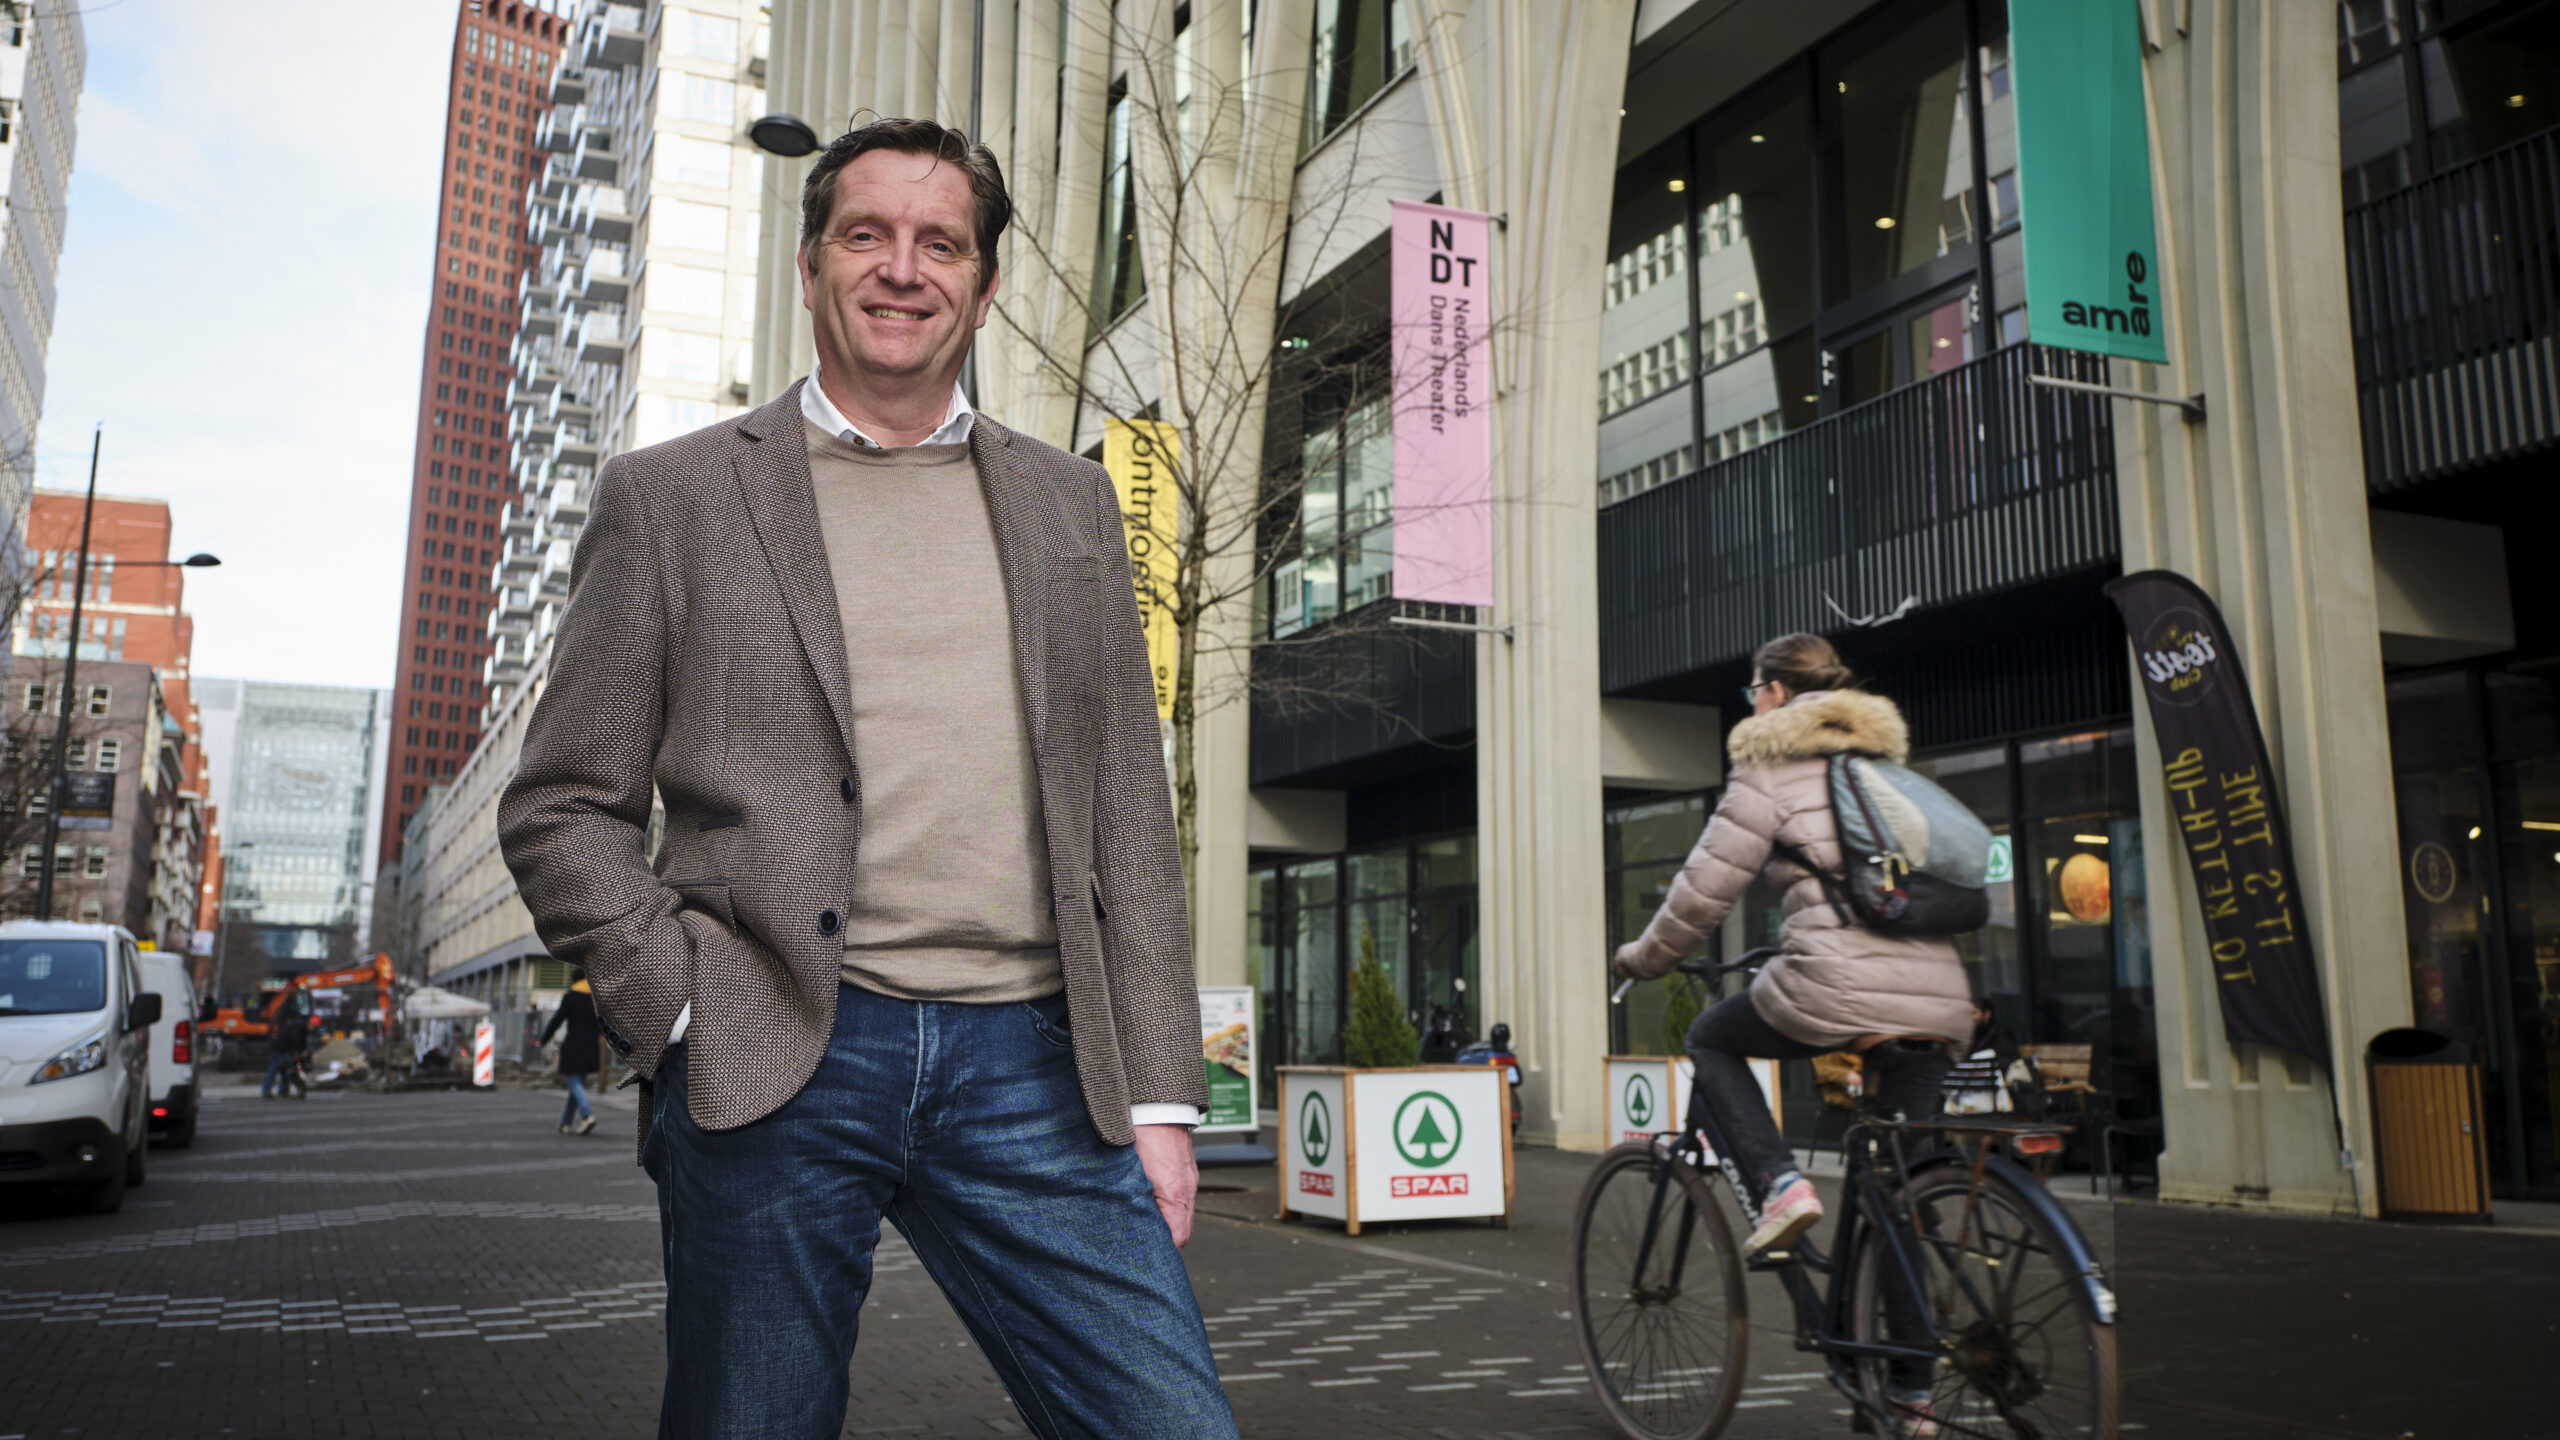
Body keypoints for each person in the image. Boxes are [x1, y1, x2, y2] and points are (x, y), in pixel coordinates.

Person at [498, 116, 1231, 1440]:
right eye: (866, 235)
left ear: (983, 287)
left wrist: (1165, 1099)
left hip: (1040, 1065)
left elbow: (1129, 810)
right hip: (775, 1048)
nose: (903, 269)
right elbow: (561, 805)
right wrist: (683, 1005)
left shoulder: (1072, 504)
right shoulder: (671, 499)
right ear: (811, 265)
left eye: (940, 244)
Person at [1612, 633, 1973, 1256]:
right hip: (1942, 1001)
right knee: (1895, 1194)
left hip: (1838, 987)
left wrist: (1642, 958)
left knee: (1710, 1037)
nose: (1752, 702)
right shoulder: (1884, 771)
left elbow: (1703, 891)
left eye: (1754, 690)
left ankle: (1779, 1183)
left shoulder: (1770, 769)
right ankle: (1906, 1319)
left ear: (1776, 692)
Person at [538, 969, 601, 1135]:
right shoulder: (594, 998)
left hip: (573, 1046)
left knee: (573, 1082)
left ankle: (587, 1115)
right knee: (576, 1084)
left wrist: (544, 1039)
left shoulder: (570, 997)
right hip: (591, 1048)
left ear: (574, 981)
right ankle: (565, 1123)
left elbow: (557, 1020)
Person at [262, 1002, 309, 1101]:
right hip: (281, 1049)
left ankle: (272, 1091)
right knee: (282, 1070)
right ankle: (278, 1092)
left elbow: (299, 1039)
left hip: (279, 1047)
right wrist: (301, 1051)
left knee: (279, 1070)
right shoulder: (300, 1026)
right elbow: (296, 1040)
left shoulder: (298, 1025)